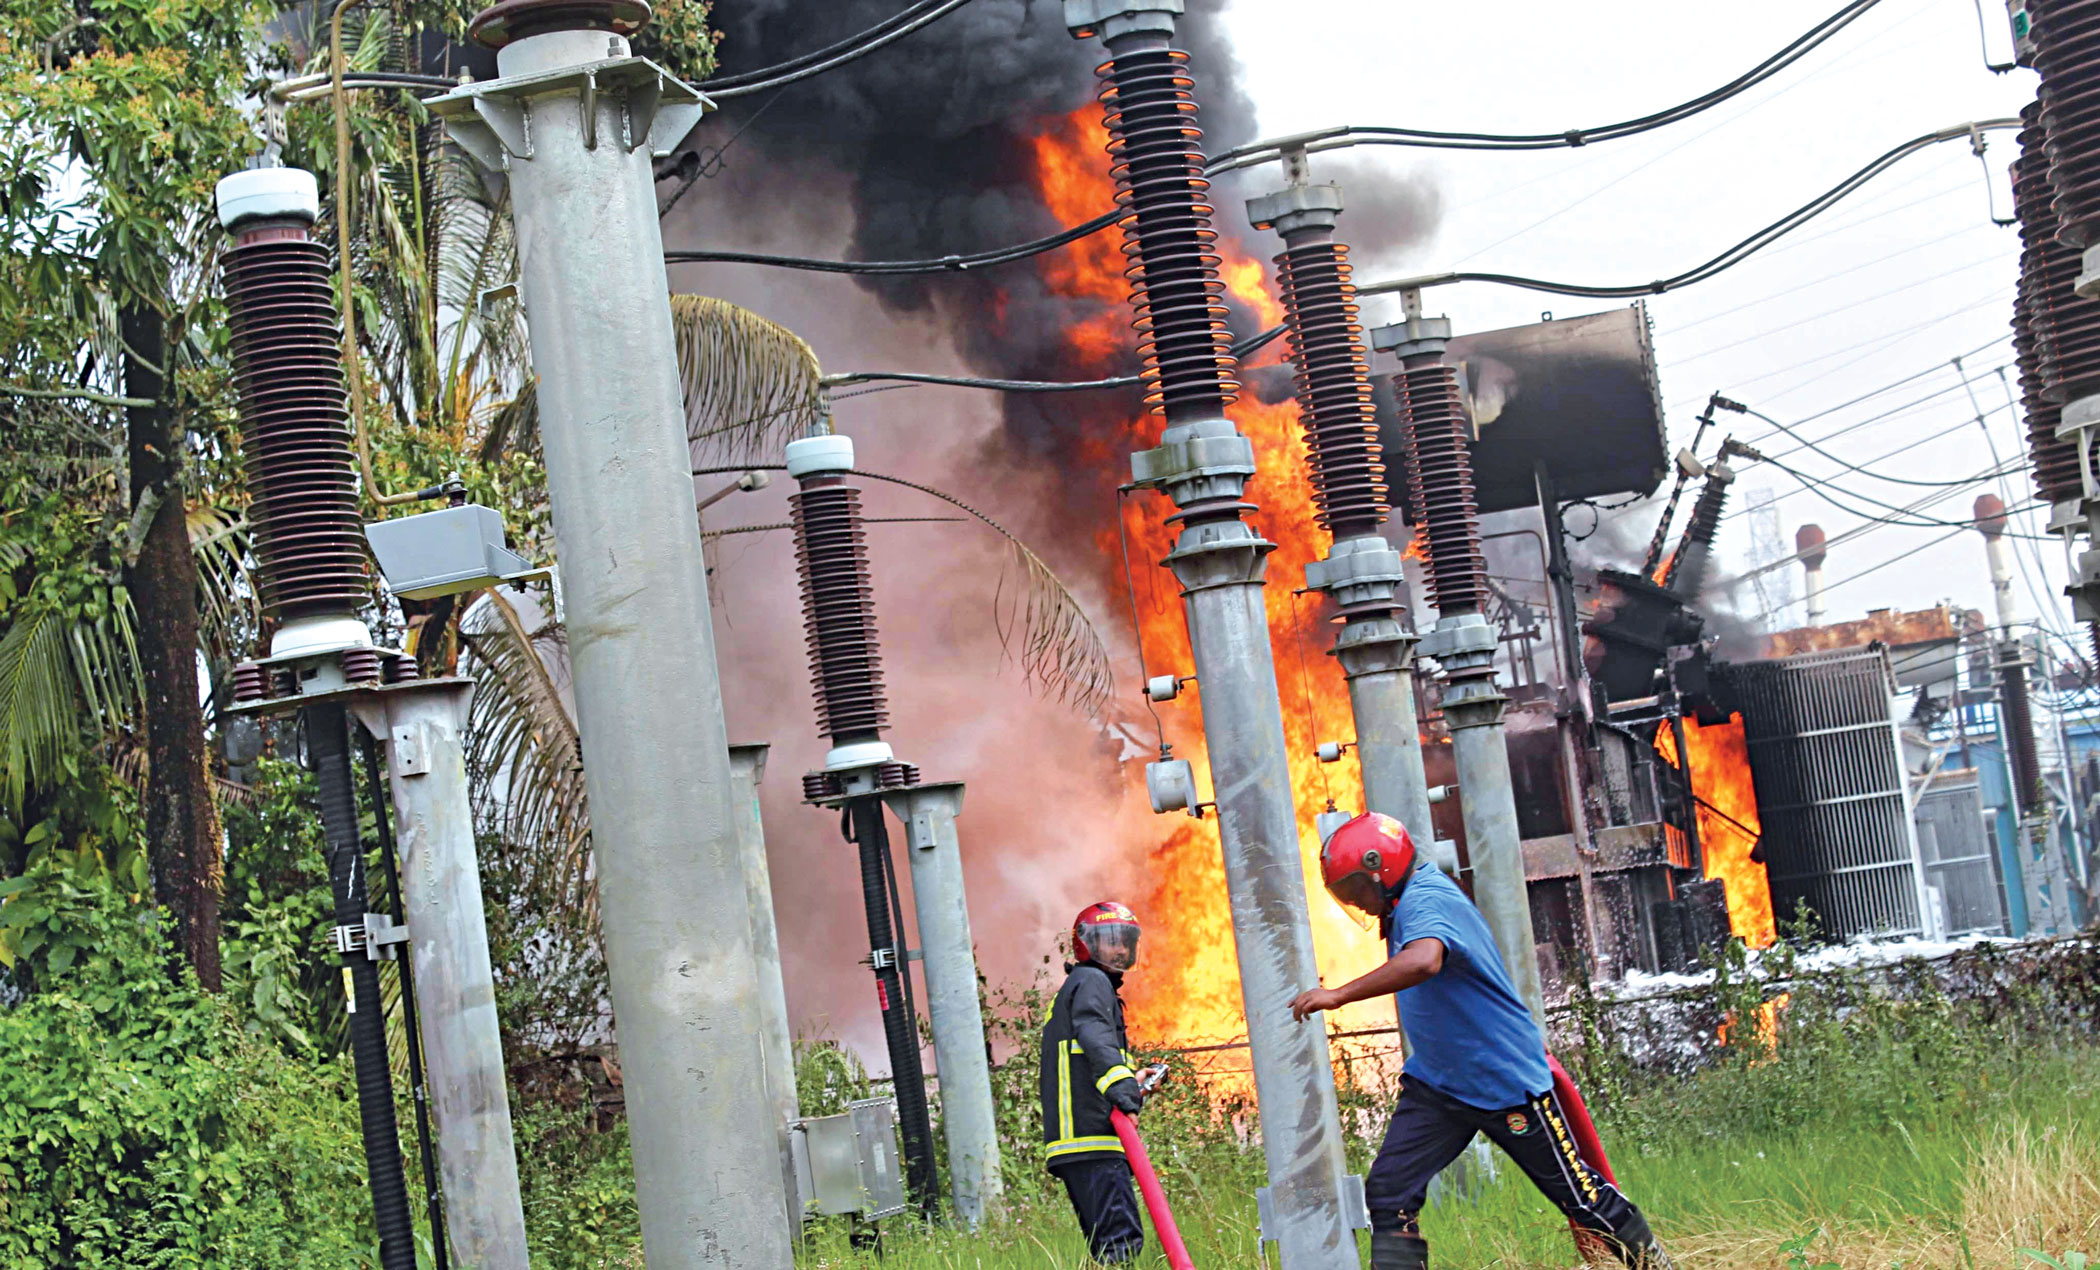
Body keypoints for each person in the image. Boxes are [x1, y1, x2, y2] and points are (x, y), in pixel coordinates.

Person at [1288, 813, 1675, 1270]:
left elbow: (1426, 961)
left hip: (1503, 1082)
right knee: (1389, 1193)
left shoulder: (1425, 898)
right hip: (1439, 1085)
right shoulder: (1406, 899)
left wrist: (1339, 995)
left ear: (1383, 868)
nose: (1362, 905)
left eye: (1359, 891)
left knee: (1581, 1198)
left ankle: (1658, 1266)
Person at [1039, 901, 1147, 1264]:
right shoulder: (1092, 981)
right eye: (1109, 940)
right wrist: (1125, 1093)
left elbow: (1089, 1054)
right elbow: (1095, 1035)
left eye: (1124, 941)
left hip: (1084, 1140)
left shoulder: (1081, 985)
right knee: (1121, 1246)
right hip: (1092, 1137)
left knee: (1109, 1247)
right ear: (1086, 944)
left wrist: (1133, 1080)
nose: (1119, 949)